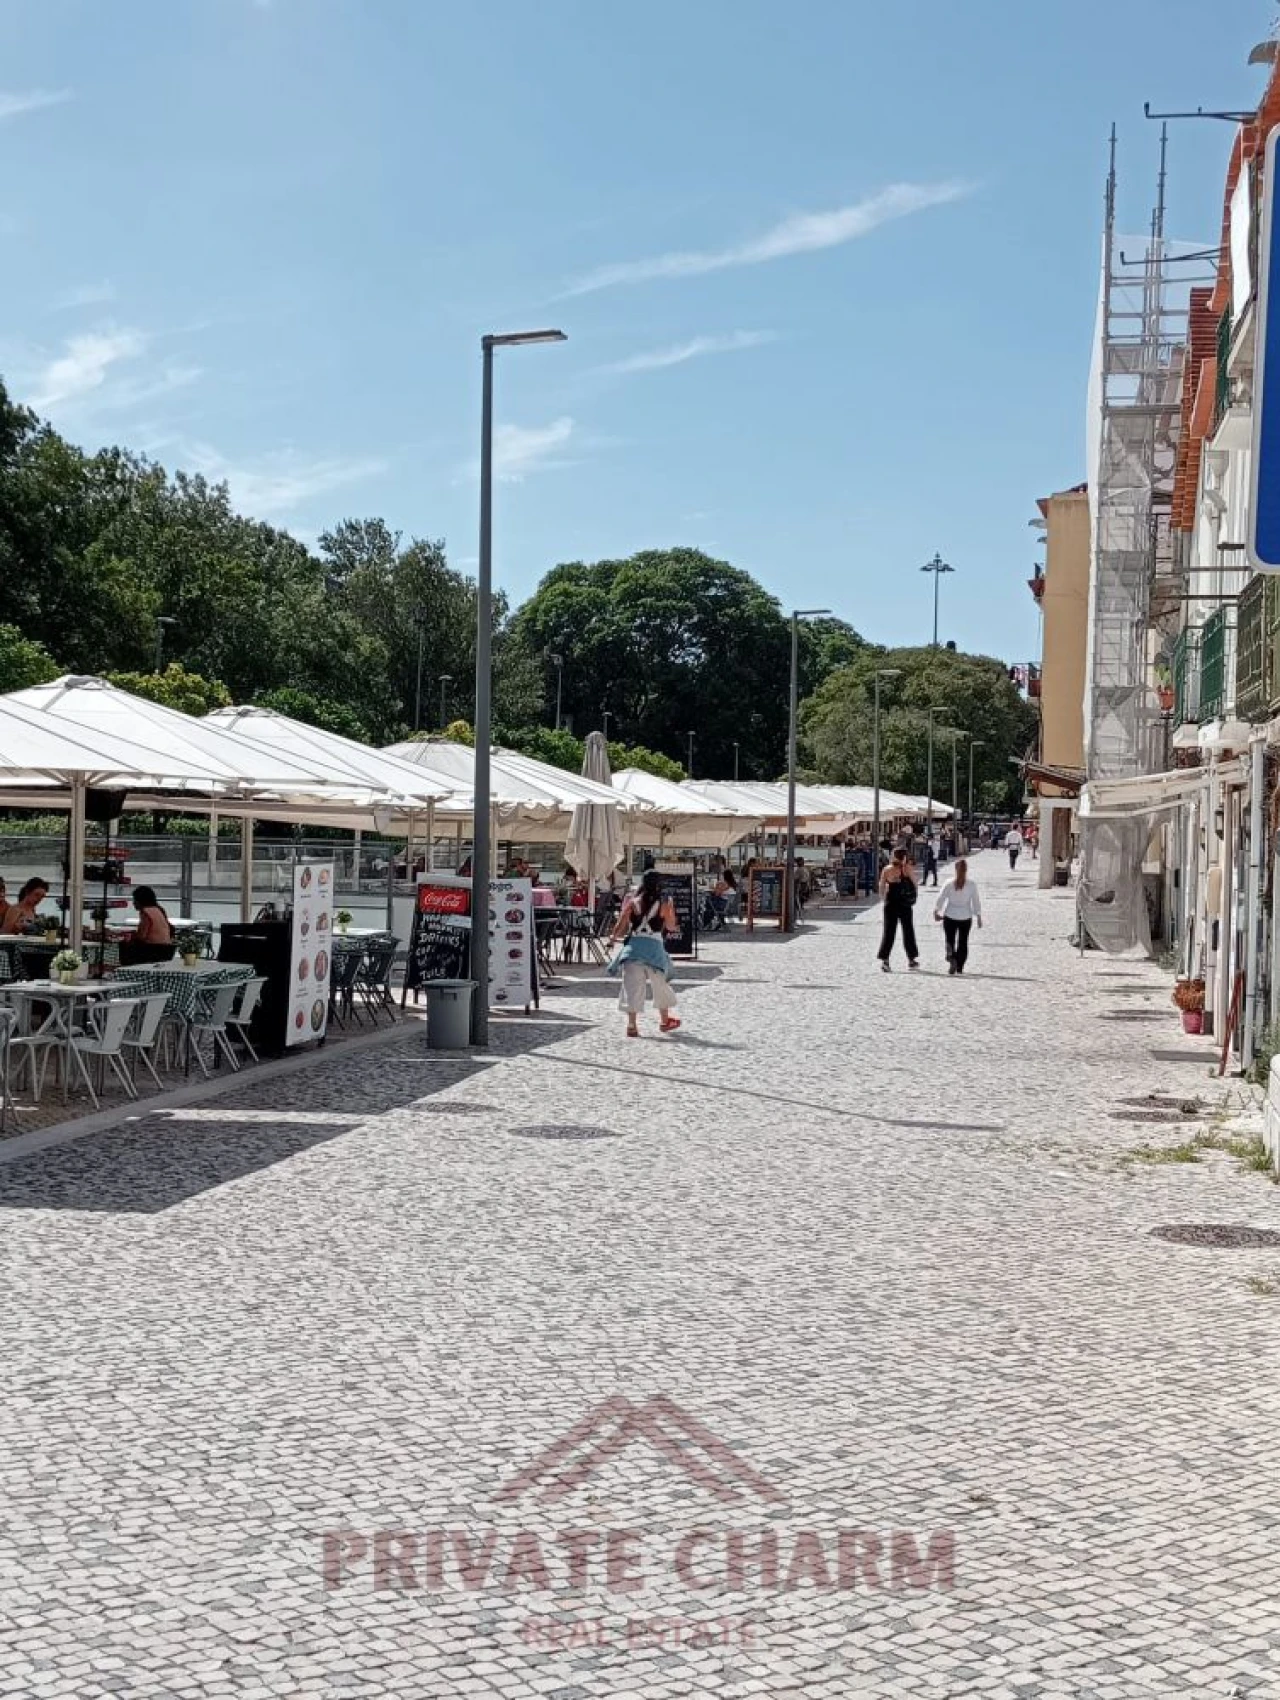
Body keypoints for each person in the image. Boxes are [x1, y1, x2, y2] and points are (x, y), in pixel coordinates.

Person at [607, 870, 681, 1037]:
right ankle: (665, 1020)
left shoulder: (633, 902)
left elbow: (621, 925)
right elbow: (671, 926)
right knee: (660, 985)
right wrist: (672, 917)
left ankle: (632, 1025)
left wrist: (612, 940)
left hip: (633, 948)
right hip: (654, 949)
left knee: (632, 987)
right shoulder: (665, 902)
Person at [933, 857, 982, 975]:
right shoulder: (971, 884)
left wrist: (936, 910)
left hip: (950, 915)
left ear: (955, 868)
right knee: (963, 942)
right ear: (966, 869)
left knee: (949, 939)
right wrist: (979, 916)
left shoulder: (949, 883)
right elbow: (976, 901)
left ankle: (951, 958)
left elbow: (941, 898)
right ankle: (960, 966)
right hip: (965, 916)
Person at [877, 848, 919, 973]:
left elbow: (881, 886)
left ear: (894, 856)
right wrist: (912, 896)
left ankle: (885, 960)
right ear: (904, 856)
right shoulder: (907, 869)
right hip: (904, 903)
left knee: (889, 932)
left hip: (891, 902)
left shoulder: (887, 869)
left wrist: (884, 899)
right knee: (908, 930)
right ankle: (911, 959)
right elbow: (915, 884)